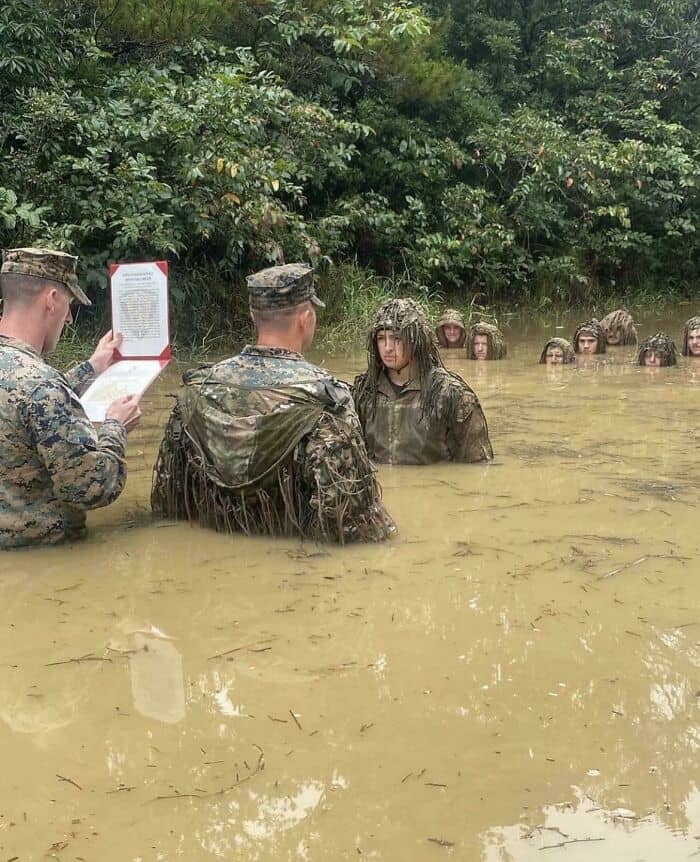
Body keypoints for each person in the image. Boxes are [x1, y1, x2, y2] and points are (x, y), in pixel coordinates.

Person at [151, 263, 394, 544]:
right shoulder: (326, 397)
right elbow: (349, 521)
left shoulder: (198, 387)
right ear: (306, 319)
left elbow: (168, 497)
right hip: (294, 557)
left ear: (253, 316)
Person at [0, 247, 141, 549]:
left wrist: (92, 367)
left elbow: (19, 398)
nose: (69, 319)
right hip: (40, 556)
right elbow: (90, 488)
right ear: (52, 300)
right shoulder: (43, 388)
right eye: (69, 305)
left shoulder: (35, 384)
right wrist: (115, 428)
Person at [351, 298, 493, 465]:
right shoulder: (364, 393)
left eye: (397, 338)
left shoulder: (451, 395)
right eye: (381, 338)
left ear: (416, 340)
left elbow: (478, 467)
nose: (388, 347)